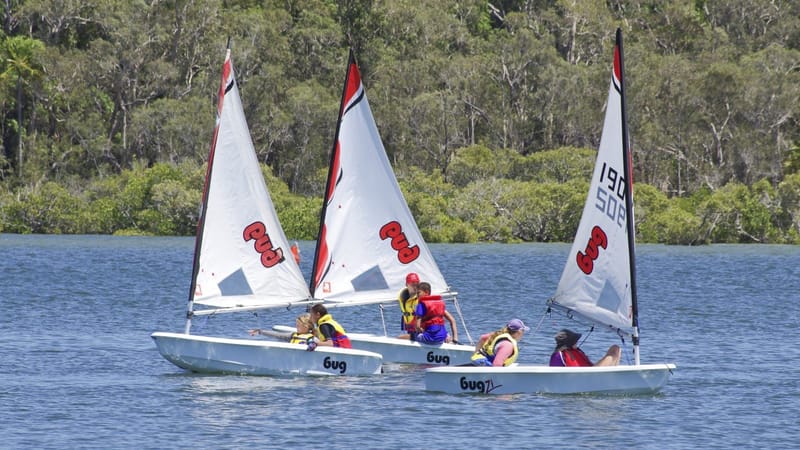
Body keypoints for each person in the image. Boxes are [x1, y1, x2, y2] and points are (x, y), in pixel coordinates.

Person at [548, 329, 621, 367]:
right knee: (614, 351)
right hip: (588, 375)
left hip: (590, 372)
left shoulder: (576, 351)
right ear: (569, 343)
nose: (577, 342)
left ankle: (612, 377)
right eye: (575, 341)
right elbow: (555, 372)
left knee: (616, 349)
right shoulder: (559, 354)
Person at [248, 313, 315, 346]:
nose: (296, 327)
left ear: (306, 327)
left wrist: (312, 345)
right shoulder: (292, 335)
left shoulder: (312, 338)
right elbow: (277, 335)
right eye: (296, 325)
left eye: (298, 326)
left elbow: (317, 344)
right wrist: (260, 331)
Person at [396, 272, 420, 338]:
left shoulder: (421, 298)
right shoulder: (402, 296)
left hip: (421, 332)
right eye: (413, 285)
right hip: (410, 329)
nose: (415, 287)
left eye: (417, 285)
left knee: (399, 338)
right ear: (407, 284)